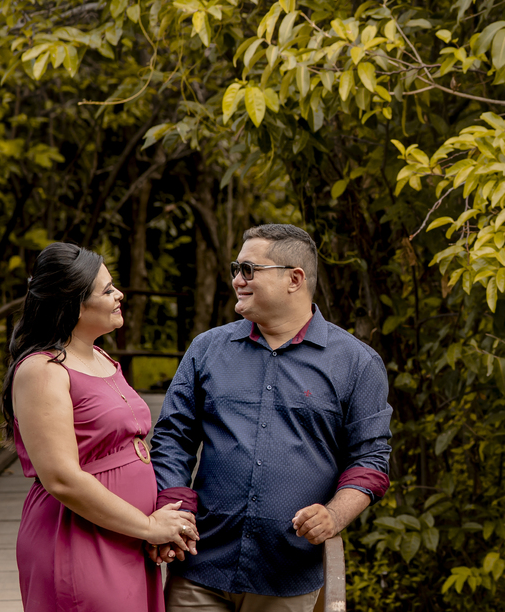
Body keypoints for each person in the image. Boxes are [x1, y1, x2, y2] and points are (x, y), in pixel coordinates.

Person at [150, 223, 393, 611]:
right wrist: (175, 505)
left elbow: (370, 461)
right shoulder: (207, 349)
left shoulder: (357, 363)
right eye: (235, 269)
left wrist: (333, 515)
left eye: (248, 270)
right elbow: (173, 437)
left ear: (294, 279)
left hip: (287, 574)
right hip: (200, 565)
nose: (236, 280)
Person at [5, 242, 199, 612]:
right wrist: (148, 527)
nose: (118, 294)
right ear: (74, 304)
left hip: (125, 536)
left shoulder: (100, 356)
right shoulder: (43, 371)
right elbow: (61, 478)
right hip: (78, 536)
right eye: (107, 290)